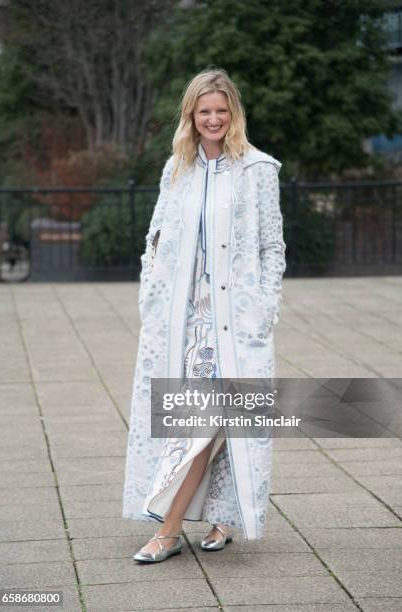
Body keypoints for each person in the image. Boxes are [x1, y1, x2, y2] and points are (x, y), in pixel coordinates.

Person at [122, 68, 286, 563]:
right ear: (192, 116)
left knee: (212, 423)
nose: (213, 119)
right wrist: (151, 297)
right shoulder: (178, 170)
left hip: (236, 326)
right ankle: (220, 516)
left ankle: (168, 530)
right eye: (204, 111)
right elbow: (154, 240)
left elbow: (271, 246)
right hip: (182, 327)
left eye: (221, 110)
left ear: (233, 114)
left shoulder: (258, 171)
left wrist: (264, 308)